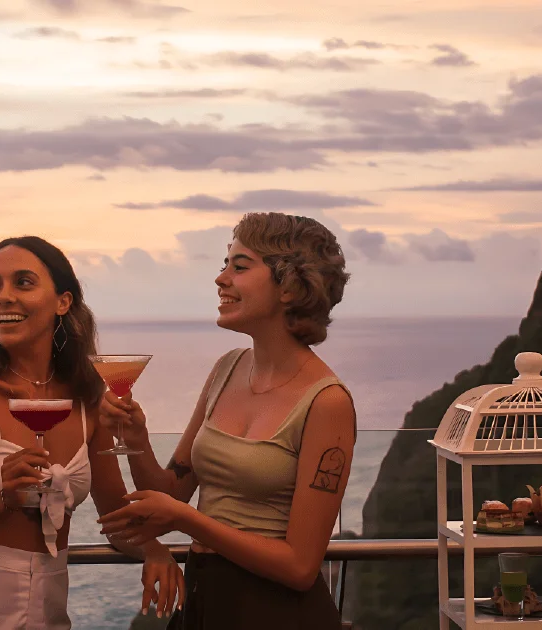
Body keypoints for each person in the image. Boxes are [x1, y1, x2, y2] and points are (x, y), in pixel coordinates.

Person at [97, 212, 356, 629]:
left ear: (289, 286)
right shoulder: (227, 369)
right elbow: (171, 491)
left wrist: (187, 522)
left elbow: (300, 567)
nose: (221, 279)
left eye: (239, 266)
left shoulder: (327, 402)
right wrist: (136, 437)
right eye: (225, 264)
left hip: (277, 614)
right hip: (208, 600)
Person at [0, 236, 184, 629]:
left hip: (49, 606)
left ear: (63, 302)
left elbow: (115, 516)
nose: (3, 296)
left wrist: (153, 550)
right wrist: (2, 500)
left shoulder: (87, 395)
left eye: (23, 282)